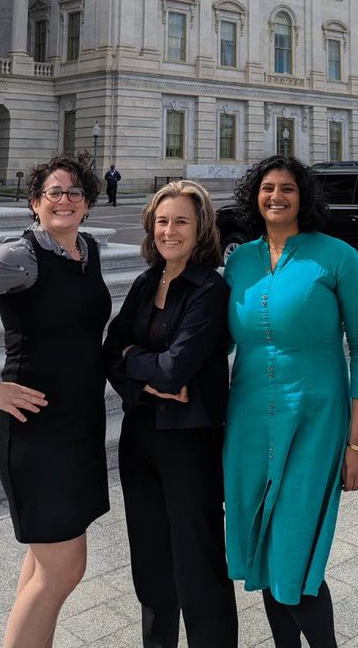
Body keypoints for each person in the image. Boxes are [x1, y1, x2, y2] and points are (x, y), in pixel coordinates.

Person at [0, 153, 111, 648]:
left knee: (42, 565)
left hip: (80, 425)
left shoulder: (87, 250)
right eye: (54, 192)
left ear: (88, 204)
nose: (65, 200)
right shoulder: (20, 255)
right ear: (35, 203)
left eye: (75, 192)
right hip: (36, 430)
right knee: (64, 568)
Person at [224, 155, 358, 647]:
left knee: (294, 548)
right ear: (255, 196)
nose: (276, 196)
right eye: (267, 188)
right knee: (265, 548)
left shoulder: (337, 257)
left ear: (303, 196)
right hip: (248, 420)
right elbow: (219, 339)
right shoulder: (240, 261)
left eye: (287, 188)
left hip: (316, 421)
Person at [104, 180, 237, 648]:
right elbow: (109, 351)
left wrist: (134, 361)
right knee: (152, 565)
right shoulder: (147, 281)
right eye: (162, 221)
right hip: (140, 436)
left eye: (181, 220)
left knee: (198, 564)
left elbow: (176, 366)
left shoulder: (210, 289)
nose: (169, 230)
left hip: (189, 442)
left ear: (200, 228)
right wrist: (145, 375)